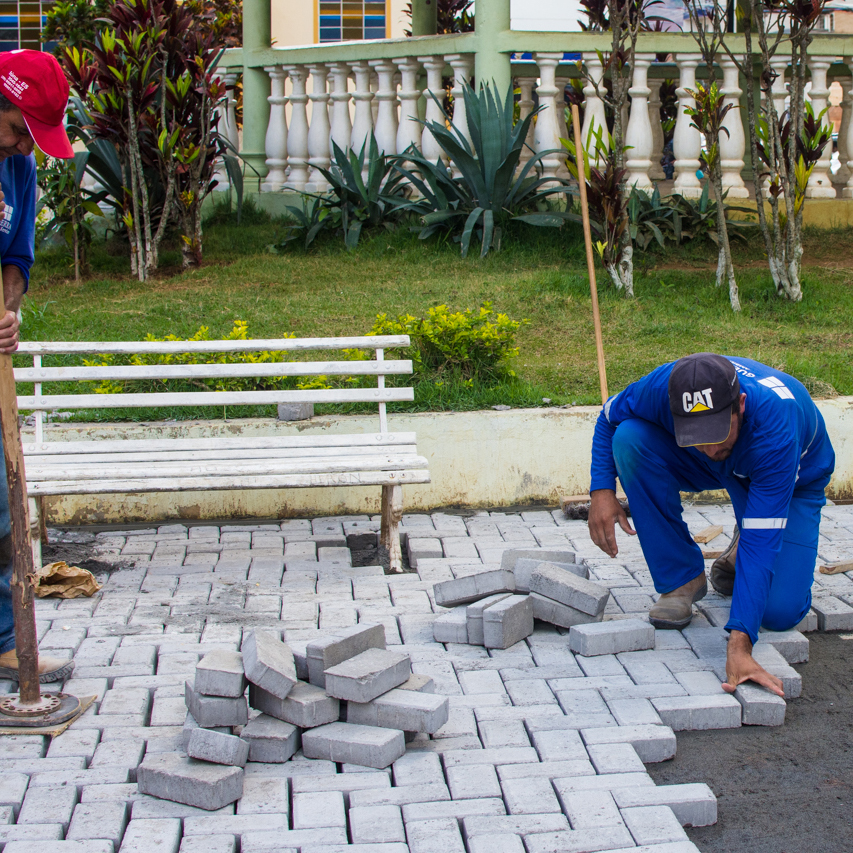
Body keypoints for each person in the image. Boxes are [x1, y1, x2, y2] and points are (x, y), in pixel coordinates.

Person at [588, 353, 835, 698]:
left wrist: (739, 649)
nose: (707, 444)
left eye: (716, 431)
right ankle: (681, 579)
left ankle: (742, 541)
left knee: (779, 613)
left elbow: (763, 544)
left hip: (791, 479)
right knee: (630, 439)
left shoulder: (776, 429)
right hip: (727, 465)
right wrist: (601, 489)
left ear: (741, 405)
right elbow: (608, 417)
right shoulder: (663, 388)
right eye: (695, 433)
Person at [0, 49, 75, 683]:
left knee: (2, 509)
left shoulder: (18, 171)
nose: (26, 144)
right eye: (19, 128)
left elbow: (18, 254)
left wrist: (10, 313)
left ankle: (5, 644)